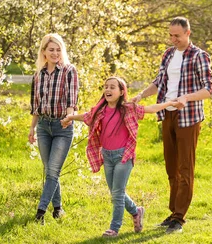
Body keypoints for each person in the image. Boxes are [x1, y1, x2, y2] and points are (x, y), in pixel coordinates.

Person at [61, 77, 180, 237]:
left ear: (121, 91)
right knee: (116, 192)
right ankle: (136, 211)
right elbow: (87, 116)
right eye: (106, 87)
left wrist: (169, 103)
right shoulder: (100, 110)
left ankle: (114, 228)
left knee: (117, 193)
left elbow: (150, 109)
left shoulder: (128, 108)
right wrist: (70, 117)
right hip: (107, 156)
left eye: (112, 87)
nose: (108, 90)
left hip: (124, 156)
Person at [131, 17, 212, 234]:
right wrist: (140, 95)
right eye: (170, 35)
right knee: (171, 167)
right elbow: (159, 82)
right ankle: (173, 212)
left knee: (185, 167)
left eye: (177, 35)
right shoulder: (168, 54)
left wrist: (186, 97)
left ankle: (179, 217)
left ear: (188, 33)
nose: (173, 39)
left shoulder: (199, 56)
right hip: (166, 114)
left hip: (188, 117)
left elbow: (209, 90)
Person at [28, 33, 79, 225]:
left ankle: (40, 212)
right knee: (50, 169)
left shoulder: (69, 71)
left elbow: (71, 100)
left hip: (62, 127)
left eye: (58, 49)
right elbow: (35, 105)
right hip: (43, 126)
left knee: (52, 171)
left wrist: (68, 118)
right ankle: (58, 209)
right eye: (51, 49)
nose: (55, 53)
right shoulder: (38, 75)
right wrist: (32, 128)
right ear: (44, 52)